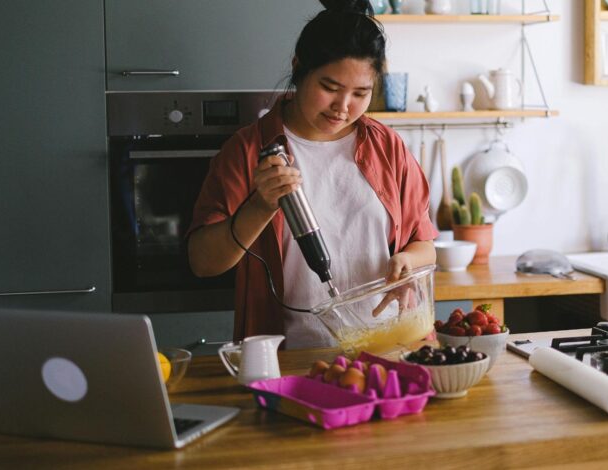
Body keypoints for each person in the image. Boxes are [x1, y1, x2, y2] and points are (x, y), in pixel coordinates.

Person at [187, 0, 437, 349]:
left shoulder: (387, 147)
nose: (343, 106)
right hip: (293, 358)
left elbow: (425, 245)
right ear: (298, 68)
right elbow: (202, 262)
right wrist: (261, 205)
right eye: (330, 88)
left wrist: (407, 263)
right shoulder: (247, 151)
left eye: (360, 93)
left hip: (392, 346)